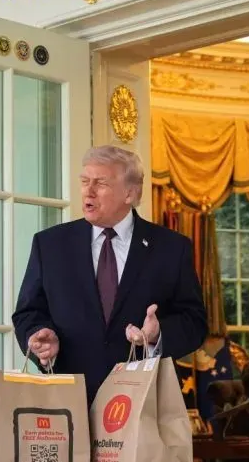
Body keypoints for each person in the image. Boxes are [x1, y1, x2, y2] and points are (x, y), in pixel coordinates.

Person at [13, 145, 208, 402]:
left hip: (142, 404)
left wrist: (157, 335)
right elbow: (28, 312)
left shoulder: (172, 248)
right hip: (69, 403)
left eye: (101, 183)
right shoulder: (49, 244)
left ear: (130, 193)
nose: (88, 191)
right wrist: (40, 337)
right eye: (85, 181)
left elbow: (194, 322)